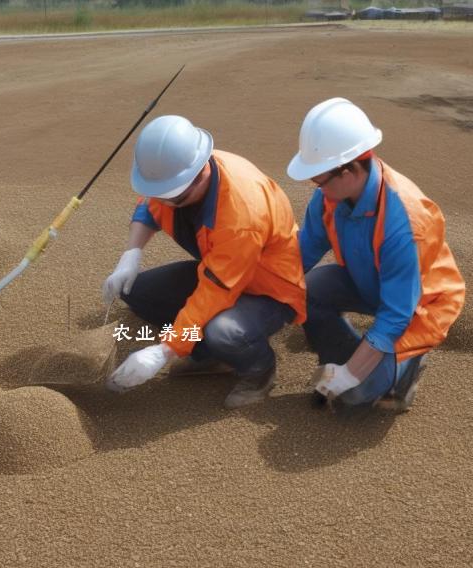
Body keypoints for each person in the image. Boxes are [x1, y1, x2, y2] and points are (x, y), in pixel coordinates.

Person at [102, 114, 306, 408]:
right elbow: (151, 206)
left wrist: (165, 351)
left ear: (198, 176)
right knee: (135, 291)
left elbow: (216, 290)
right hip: (218, 267)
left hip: (268, 288)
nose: (162, 202)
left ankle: (258, 369)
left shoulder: (242, 215)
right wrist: (130, 256)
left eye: (171, 197)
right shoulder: (182, 169)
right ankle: (210, 353)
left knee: (223, 332)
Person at [287, 97, 465, 411]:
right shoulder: (330, 197)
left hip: (419, 305)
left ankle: (403, 373)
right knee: (309, 289)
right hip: (369, 280)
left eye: (319, 177)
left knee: (355, 396)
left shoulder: (405, 222)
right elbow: (299, 256)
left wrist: (349, 377)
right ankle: (346, 358)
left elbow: (396, 315)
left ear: (349, 170)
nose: (316, 186)